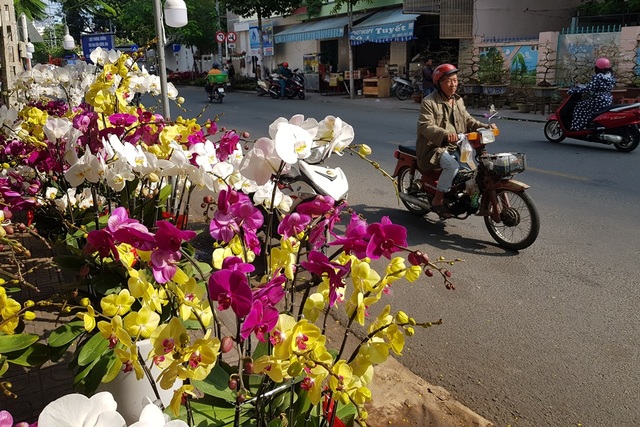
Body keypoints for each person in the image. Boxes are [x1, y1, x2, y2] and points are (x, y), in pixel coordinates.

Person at [416, 63, 495, 218]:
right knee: (452, 166)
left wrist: (485, 126)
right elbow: (426, 126)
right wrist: (445, 135)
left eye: (455, 80)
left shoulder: (458, 101)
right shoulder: (429, 102)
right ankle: (438, 200)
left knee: (474, 169)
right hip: (434, 147)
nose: (453, 85)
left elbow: (468, 120)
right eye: (448, 81)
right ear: (439, 83)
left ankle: (465, 198)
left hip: (457, 144)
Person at [569, 57, 616, 131]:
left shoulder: (598, 77)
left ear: (597, 68)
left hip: (598, 99)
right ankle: (588, 124)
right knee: (589, 109)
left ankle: (576, 127)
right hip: (607, 99)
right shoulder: (610, 77)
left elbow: (589, 88)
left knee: (579, 106)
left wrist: (575, 90)